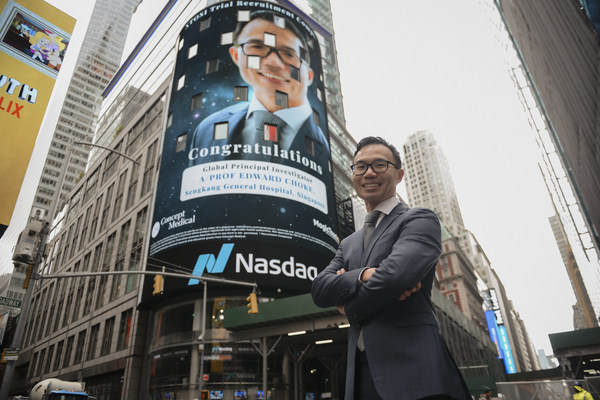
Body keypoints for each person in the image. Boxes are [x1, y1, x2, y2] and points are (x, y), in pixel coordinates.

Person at [311, 136, 471, 399]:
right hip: (360, 377)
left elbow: (396, 276)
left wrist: (349, 307)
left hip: (416, 372)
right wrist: (365, 274)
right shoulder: (349, 243)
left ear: (399, 175)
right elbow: (319, 289)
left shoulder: (419, 219)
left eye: (379, 165)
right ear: (353, 174)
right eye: (360, 166)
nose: (369, 172)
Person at [189, 10, 329, 164]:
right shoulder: (206, 129)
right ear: (236, 55)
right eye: (257, 46)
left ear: (309, 76)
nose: (272, 62)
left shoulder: (323, 147)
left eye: (289, 54)